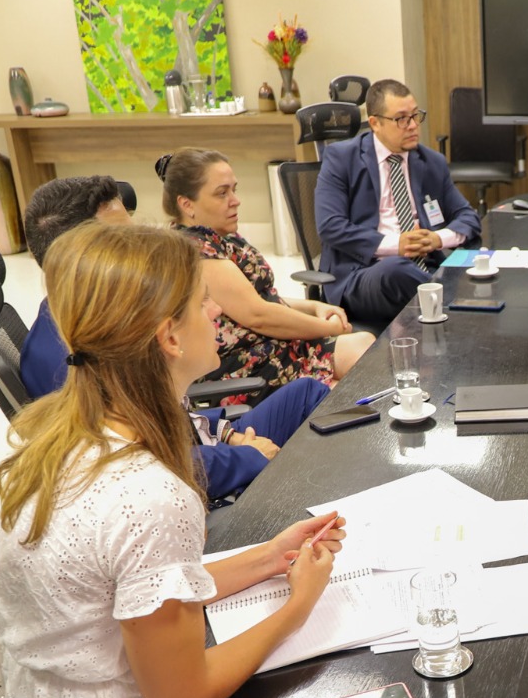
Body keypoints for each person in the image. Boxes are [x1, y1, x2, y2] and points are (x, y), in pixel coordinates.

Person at [0, 221, 482, 698]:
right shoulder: (149, 492)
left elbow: (124, 589)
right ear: (167, 338)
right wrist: (296, 605)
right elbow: (180, 694)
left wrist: (268, 558)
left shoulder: (65, 433)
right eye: (199, 302)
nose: (217, 310)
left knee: (283, 658)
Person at [19, 175, 328, 504]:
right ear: (86, 254)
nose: (139, 247)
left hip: (200, 444)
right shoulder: (77, 355)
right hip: (188, 486)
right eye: (123, 239)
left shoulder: (97, 317)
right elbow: (147, 466)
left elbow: (168, 416)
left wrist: (226, 433)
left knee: (310, 392)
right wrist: (251, 457)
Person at [158, 148, 375, 389]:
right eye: (222, 193)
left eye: (234, 189)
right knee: (359, 383)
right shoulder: (196, 252)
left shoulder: (220, 238)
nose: (235, 200)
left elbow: (262, 297)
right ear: (187, 204)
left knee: (367, 349)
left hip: (278, 349)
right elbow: (259, 315)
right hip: (253, 368)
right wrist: (328, 328)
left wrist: (314, 306)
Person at [315, 78, 482, 326]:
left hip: (425, 267)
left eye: (416, 115)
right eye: (402, 119)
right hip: (364, 272)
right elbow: (330, 225)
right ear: (375, 123)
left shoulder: (431, 162)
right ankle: (459, 314)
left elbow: (468, 218)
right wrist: (396, 244)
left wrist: (438, 238)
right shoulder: (342, 159)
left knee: (479, 268)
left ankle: (446, 308)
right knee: (396, 269)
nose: (413, 125)